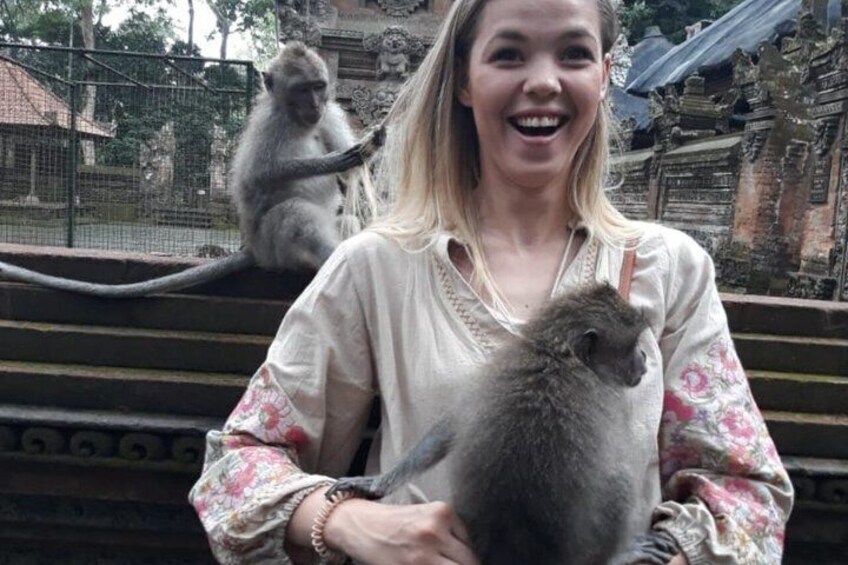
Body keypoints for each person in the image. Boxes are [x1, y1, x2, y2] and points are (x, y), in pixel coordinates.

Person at [189, 0, 794, 563]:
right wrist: (350, 522)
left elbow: (748, 494)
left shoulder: (671, 270)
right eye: (508, 54)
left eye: (574, 54)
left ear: (604, 75)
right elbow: (234, 471)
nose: (543, 81)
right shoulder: (378, 266)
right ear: (463, 79)